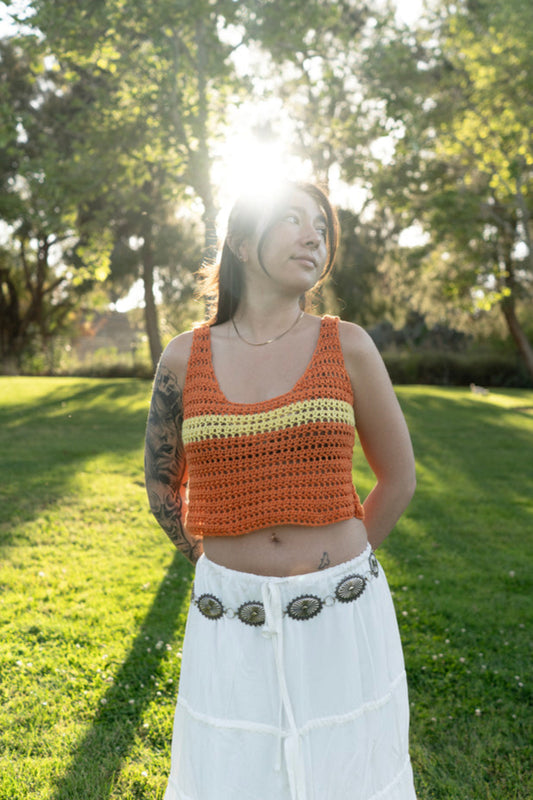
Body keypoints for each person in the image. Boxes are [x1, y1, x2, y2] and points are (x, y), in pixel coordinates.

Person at [144, 180, 417, 800]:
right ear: (242, 243)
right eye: (293, 219)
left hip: (342, 613)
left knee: (346, 772)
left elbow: (399, 478)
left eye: (321, 226)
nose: (314, 235)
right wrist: (215, 568)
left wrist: (343, 570)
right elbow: (161, 486)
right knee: (235, 772)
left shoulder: (347, 345)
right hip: (228, 617)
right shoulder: (184, 358)